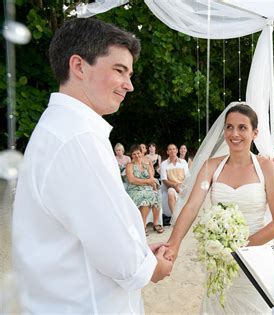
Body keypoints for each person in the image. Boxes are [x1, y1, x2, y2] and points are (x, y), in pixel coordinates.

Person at [12, 18, 172, 313]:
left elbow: (93, 229)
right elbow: (118, 256)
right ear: (79, 66)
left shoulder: (58, 128)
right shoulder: (78, 138)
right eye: (119, 70)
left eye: (130, 73)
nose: (130, 85)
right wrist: (152, 268)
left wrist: (141, 253)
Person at [166, 103, 274, 313]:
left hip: (253, 260)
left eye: (242, 127)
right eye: (229, 127)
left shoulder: (266, 168)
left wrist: (240, 249)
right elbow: (192, 206)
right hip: (220, 261)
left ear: (254, 133)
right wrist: (173, 244)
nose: (234, 133)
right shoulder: (211, 167)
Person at [126, 144, 163, 235]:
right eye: (134, 154)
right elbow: (132, 180)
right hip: (135, 189)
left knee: (157, 195)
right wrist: (147, 181)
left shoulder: (146, 165)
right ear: (132, 156)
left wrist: (153, 185)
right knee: (145, 197)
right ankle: (143, 226)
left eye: (138, 153)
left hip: (147, 187)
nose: (137, 156)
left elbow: (152, 178)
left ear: (141, 153)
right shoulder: (130, 166)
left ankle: (155, 223)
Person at [160, 143, 189, 215]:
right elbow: (164, 180)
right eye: (170, 149)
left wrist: (182, 186)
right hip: (171, 186)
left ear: (177, 151)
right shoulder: (164, 164)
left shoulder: (183, 162)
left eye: (174, 149)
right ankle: (174, 216)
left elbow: (187, 177)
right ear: (167, 152)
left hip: (183, 185)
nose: (172, 151)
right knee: (170, 193)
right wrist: (175, 185)